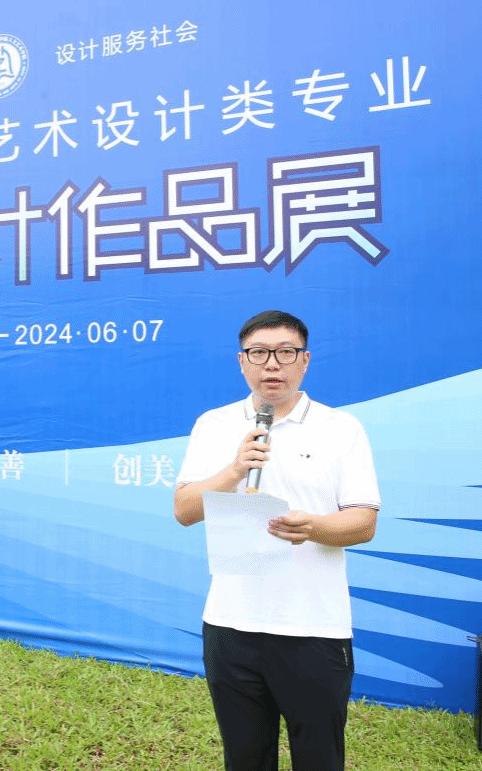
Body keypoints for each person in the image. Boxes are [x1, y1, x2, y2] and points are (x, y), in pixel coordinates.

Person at [173, 310, 380, 771]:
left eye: (285, 352)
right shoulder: (213, 424)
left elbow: (364, 522)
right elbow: (184, 510)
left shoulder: (341, 428)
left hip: (313, 627)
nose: (272, 364)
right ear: (241, 361)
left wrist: (313, 528)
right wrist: (234, 469)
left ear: (304, 360)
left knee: (319, 758)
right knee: (245, 758)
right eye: (259, 353)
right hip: (230, 624)